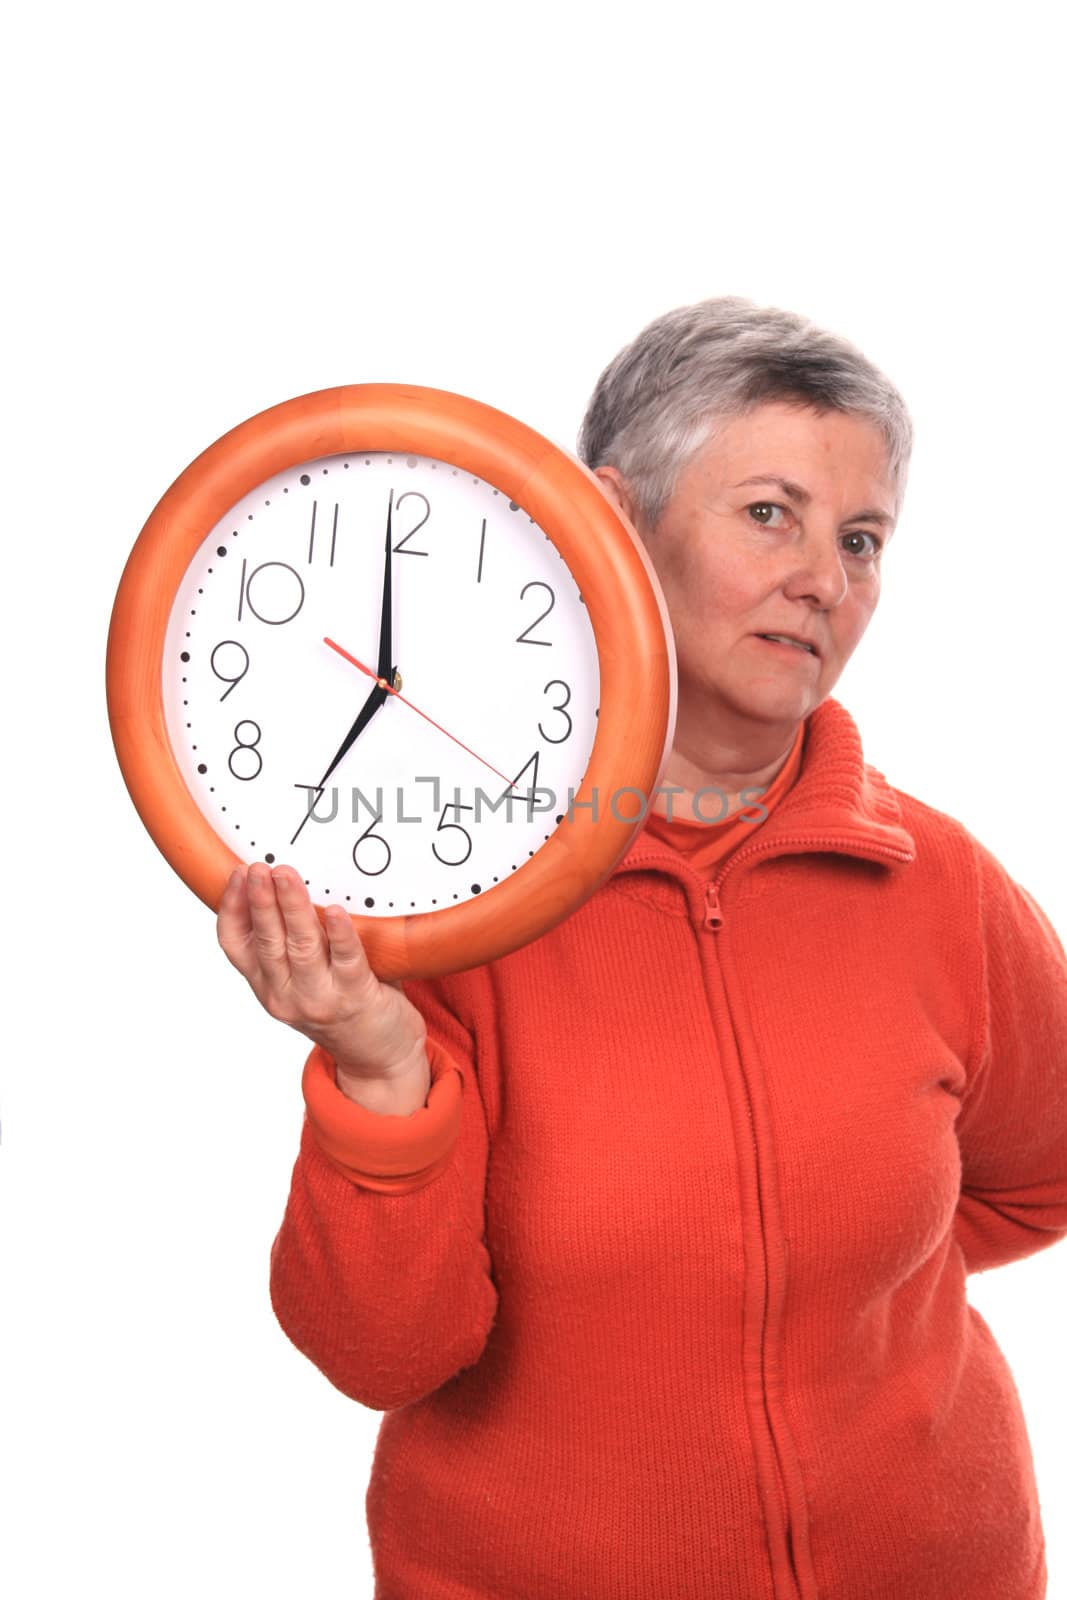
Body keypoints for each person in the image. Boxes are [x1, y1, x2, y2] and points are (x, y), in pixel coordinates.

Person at [217, 297, 1067, 1600]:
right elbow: (382, 1356)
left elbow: (1038, 1176)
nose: (824, 582)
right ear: (614, 521)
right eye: (770, 514)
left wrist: (834, 1286)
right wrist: (381, 1074)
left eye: (863, 539)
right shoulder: (448, 901)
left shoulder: (937, 884)